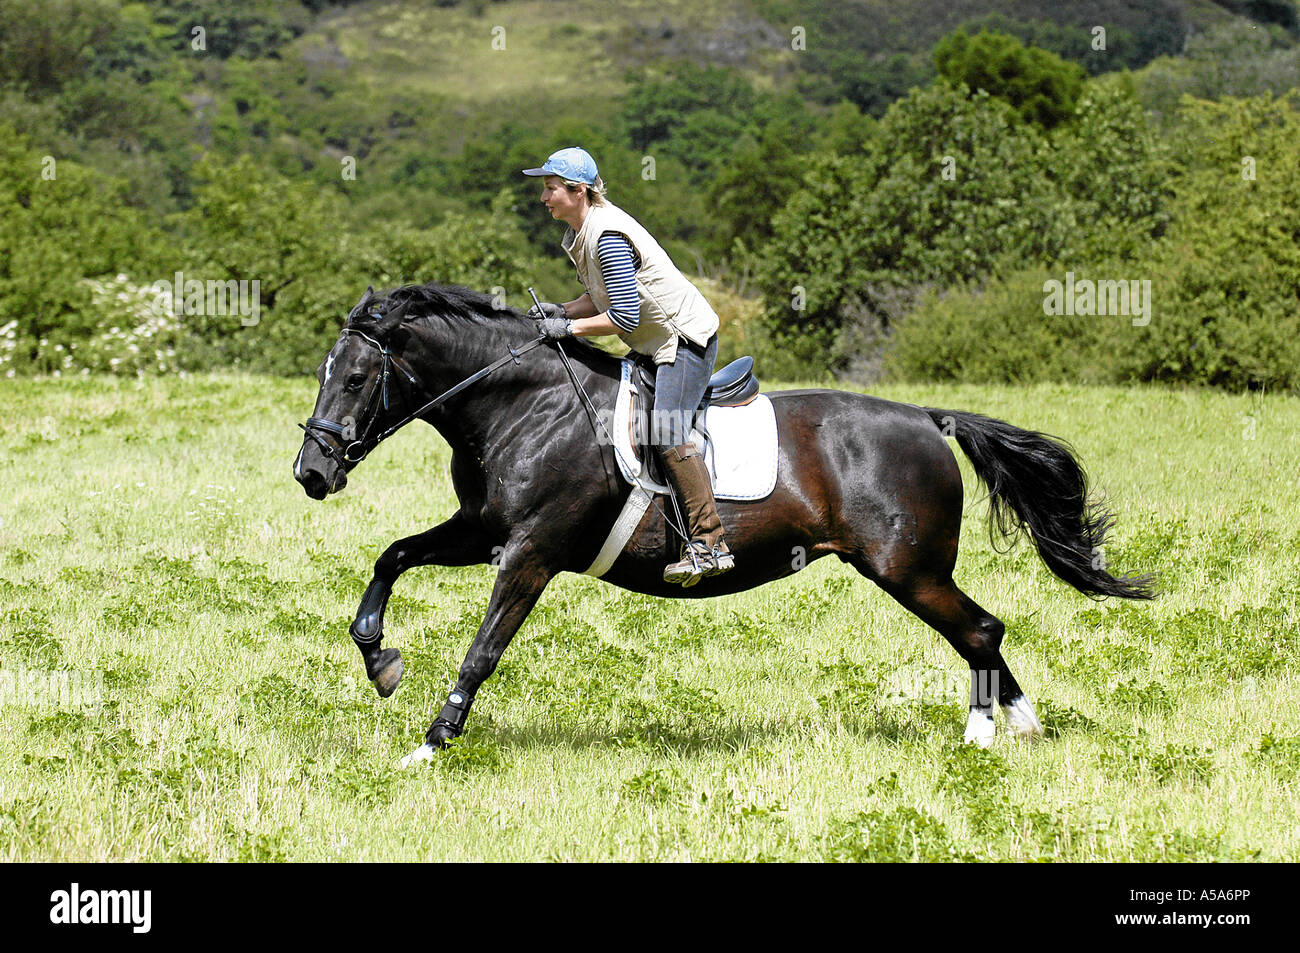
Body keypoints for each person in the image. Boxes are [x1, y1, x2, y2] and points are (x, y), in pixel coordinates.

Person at [522, 146, 733, 587]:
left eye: (550, 188)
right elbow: (599, 298)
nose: (544, 197)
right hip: (652, 344)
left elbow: (623, 317)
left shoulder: (606, 236)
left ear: (578, 191)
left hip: (682, 342)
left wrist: (570, 329)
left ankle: (709, 543)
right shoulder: (583, 232)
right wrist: (559, 310)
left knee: (667, 428)